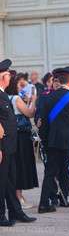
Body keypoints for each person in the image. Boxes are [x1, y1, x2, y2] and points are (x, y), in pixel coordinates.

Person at [0, 59, 36, 227]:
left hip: (10, 146)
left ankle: (16, 211)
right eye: (7, 75)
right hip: (2, 147)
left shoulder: (3, 95)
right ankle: (1, 215)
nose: (9, 78)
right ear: (2, 78)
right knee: (1, 181)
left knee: (10, 181)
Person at [38, 66, 69, 213]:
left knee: (50, 173)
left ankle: (43, 204)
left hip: (53, 141)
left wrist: (44, 139)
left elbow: (43, 122)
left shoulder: (48, 97)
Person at [5, 75, 38, 209]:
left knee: (14, 166)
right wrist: (33, 101)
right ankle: (19, 197)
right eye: (19, 85)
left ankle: (15, 197)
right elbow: (30, 113)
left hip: (12, 136)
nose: (21, 88)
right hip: (21, 136)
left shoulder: (5, 97)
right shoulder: (15, 98)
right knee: (21, 165)